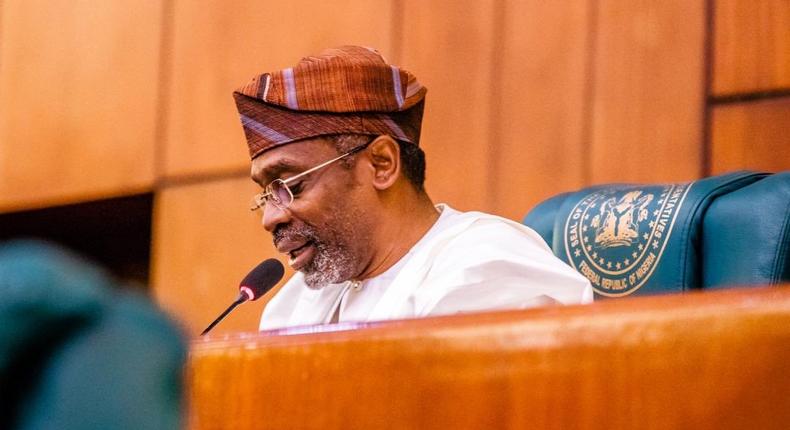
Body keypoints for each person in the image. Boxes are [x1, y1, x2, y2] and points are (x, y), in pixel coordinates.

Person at [232, 46, 593, 330]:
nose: (270, 218)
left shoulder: (486, 271)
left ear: (382, 164)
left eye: (291, 185)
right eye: (266, 193)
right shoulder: (294, 305)